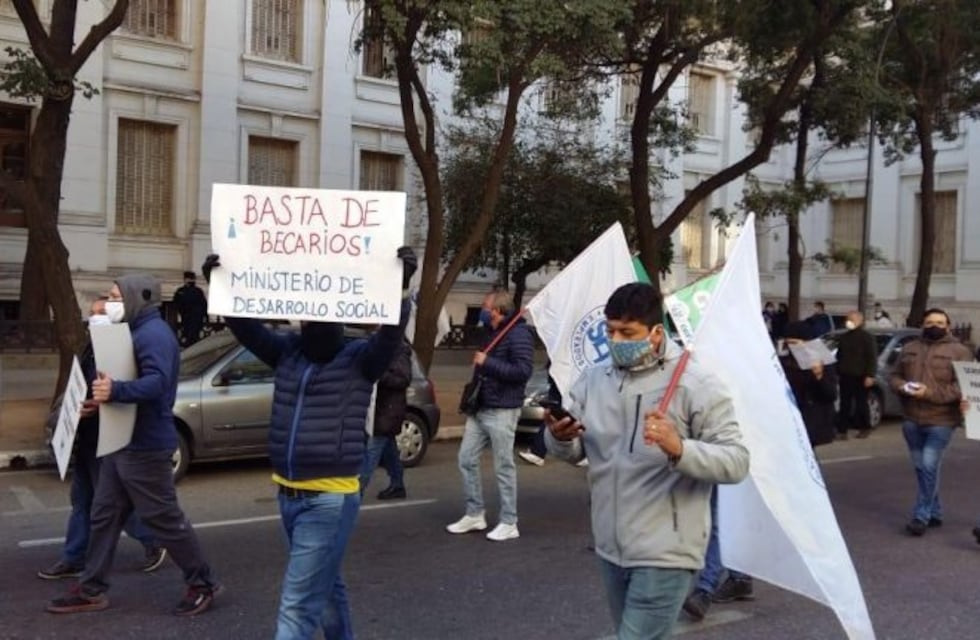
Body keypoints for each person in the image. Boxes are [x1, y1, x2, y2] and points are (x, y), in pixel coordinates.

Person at [203, 248, 415, 640]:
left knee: (297, 605)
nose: (316, 326)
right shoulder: (288, 352)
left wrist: (398, 291)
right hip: (288, 494)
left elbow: (389, 336)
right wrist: (222, 285)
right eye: (309, 318)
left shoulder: (359, 360)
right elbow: (247, 330)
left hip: (328, 499)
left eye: (325, 318)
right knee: (326, 588)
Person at [546, 282, 749, 639]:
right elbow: (576, 447)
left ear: (656, 333)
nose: (616, 341)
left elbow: (736, 461)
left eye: (628, 332)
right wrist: (559, 437)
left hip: (665, 554)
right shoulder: (595, 379)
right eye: (610, 331)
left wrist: (679, 448)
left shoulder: (695, 384)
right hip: (610, 547)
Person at [47, 274, 222, 616]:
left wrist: (115, 393)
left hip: (145, 446)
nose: (111, 302)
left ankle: (204, 583)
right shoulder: (134, 330)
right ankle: (92, 587)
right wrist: (102, 402)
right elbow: (127, 380)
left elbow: (156, 383)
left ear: (137, 297)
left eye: (115, 296)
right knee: (103, 514)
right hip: (122, 439)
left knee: (165, 519)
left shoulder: (153, 335)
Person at [38, 297, 165, 581]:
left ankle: (153, 538)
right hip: (85, 436)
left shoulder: (121, 348)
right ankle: (74, 558)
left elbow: (127, 389)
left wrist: (98, 405)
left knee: (109, 502)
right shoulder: (90, 348)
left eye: (100, 313)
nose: (93, 318)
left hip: (106, 436)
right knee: (83, 500)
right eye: (91, 314)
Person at [446, 290, 534, 542]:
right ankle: (475, 513)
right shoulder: (493, 332)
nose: (483, 310)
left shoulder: (519, 334)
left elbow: (523, 371)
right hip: (481, 407)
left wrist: (487, 363)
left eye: (486, 306)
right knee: (466, 459)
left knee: (504, 467)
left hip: (503, 410)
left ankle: (509, 521)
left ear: (498, 310)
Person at [888, 308, 973, 537]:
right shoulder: (909, 348)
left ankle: (921, 515)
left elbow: (961, 387)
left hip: (941, 420)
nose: (934, 325)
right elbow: (894, 375)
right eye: (930, 321)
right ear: (923, 324)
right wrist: (902, 387)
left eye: (939, 322)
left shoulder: (960, 351)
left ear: (948, 325)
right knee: (921, 468)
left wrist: (928, 393)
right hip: (911, 419)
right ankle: (935, 511)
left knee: (928, 465)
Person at [359, 337, 412, 500]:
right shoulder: (379, 344)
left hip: (388, 410)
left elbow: (404, 378)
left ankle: (355, 494)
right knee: (389, 450)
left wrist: (378, 375)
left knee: (370, 453)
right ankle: (397, 484)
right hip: (379, 409)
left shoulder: (399, 349)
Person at [780, 320, 839, 447]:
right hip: (789, 422)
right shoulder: (784, 360)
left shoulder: (821, 357)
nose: (792, 348)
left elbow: (831, 394)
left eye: (794, 343)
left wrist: (819, 375)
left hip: (812, 422)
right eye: (788, 343)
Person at [835, 311, 877, 440]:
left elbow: (871, 357)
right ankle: (842, 431)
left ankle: (864, 427)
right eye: (848, 319)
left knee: (861, 404)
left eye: (852, 319)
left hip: (861, 375)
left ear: (860, 320)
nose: (849, 322)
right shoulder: (844, 337)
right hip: (845, 375)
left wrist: (870, 375)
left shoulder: (867, 337)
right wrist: (838, 371)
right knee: (844, 404)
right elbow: (839, 355)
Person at [173, 270, 208, 346]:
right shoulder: (182, 291)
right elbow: (176, 303)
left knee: (192, 338)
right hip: (187, 318)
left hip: (195, 319)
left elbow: (203, 305)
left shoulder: (196, 291)